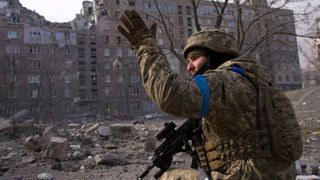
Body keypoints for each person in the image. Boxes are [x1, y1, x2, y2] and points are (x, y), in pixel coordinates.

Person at [117, 10, 299, 180]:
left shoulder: (224, 82)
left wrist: (145, 46)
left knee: (168, 177)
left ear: (215, 56)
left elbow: (169, 96)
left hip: (246, 174)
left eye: (194, 58)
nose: (189, 66)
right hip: (274, 173)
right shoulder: (256, 82)